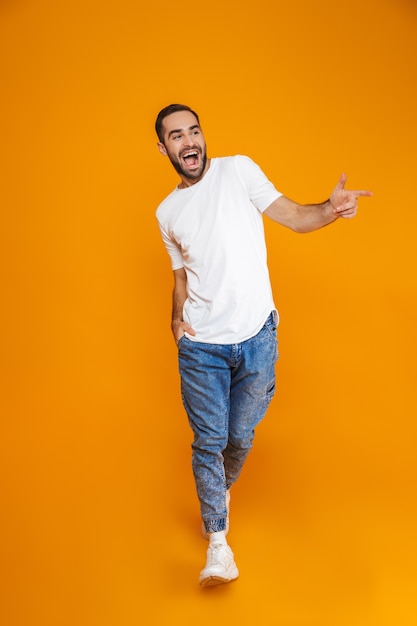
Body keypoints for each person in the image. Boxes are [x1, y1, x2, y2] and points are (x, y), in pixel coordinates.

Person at [155, 103, 372, 587]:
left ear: (202, 135)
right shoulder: (167, 211)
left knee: (240, 437)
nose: (188, 142)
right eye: (176, 136)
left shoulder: (238, 171)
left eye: (193, 131)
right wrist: (175, 320)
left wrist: (330, 210)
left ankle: (220, 493)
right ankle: (218, 546)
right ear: (163, 147)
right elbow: (179, 277)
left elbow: (294, 216)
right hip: (202, 347)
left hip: (256, 337)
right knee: (208, 443)